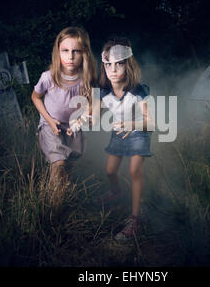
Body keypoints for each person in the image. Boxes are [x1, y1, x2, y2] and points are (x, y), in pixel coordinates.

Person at [93, 37, 154, 241]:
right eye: (108, 63)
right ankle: (116, 192)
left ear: (128, 64)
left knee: (134, 170)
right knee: (110, 170)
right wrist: (82, 117)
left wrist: (132, 125)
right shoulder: (103, 92)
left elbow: (152, 123)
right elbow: (92, 118)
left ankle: (135, 219)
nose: (113, 69)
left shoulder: (138, 90)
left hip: (138, 130)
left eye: (119, 63)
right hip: (118, 132)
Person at [31, 26, 96, 206]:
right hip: (50, 125)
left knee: (67, 167)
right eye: (65, 51)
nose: (70, 56)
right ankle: (51, 205)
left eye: (76, 51)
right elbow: (35, 97)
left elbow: (91, 104)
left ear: (84, 54)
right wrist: (50, 121)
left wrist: (79, 121)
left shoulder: (86, 79)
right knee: (58, 163)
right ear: (58, 52)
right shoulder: (49, 77)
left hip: (72, 127)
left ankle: (64, 202)